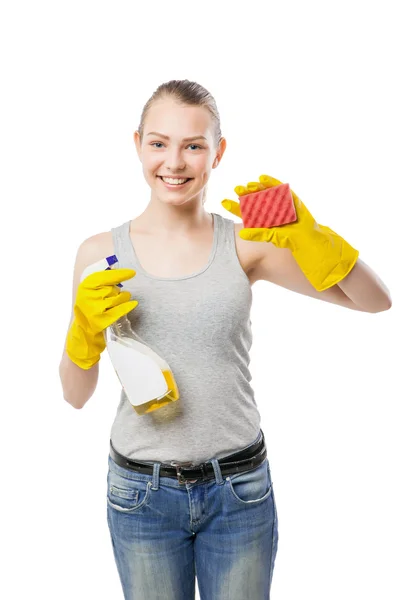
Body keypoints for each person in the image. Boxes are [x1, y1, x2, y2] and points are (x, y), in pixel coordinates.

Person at [59, 79, 392, 600]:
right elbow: (75, 396)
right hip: (140, 493)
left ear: (219, 152)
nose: (175, 161)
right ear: (137, 144)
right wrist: (82, 336)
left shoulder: (244, 245)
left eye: (194, 145)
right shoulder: (100, 253)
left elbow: (374, 300)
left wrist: (314, 237)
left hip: (238, 488)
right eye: (159, 143)